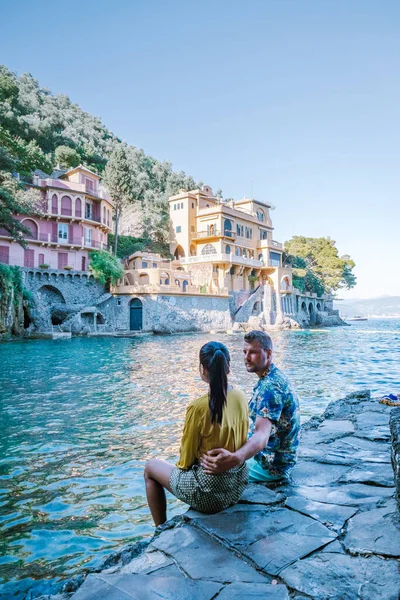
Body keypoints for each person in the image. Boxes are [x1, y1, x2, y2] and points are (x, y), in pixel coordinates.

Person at [144, 341, 249, 526]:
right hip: (238, 484)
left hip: (211, 494)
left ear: (203, 370)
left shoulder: (198, 407)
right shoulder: (240, 396)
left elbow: (185, 462)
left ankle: (160, 529)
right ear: (228, 367)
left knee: (150, 468)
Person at [201, 330, 300, 484]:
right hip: (277, 457)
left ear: (268, 353)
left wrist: (236, 458)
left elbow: (262, 435)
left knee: (209, 472)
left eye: (253, 352)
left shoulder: (270, 387)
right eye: (245, 352)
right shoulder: (272, 377)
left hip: (270, 466)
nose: (246, 357)